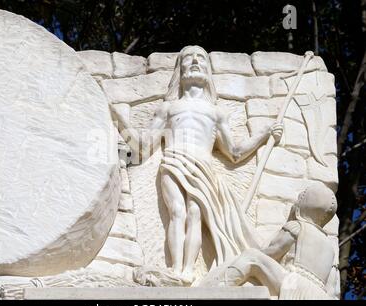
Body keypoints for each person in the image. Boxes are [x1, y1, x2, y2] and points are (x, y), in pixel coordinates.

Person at [112, 45, 283, 283]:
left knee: (194, 213)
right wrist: (118, 121)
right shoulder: (168, 108)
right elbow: (144, 145)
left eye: (200, 58)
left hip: (203, 167)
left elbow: (234, 153)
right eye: (188, 58)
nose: (194, 61)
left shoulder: (216, 113)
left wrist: (263, 135)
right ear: (179, 70)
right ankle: (175, 268)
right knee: (177, 212)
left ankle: (188, 272)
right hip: (173, 162)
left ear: (208, 71)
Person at [201, 182, 337, 299]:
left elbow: (271, 253)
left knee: (252, 257)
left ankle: (217, 289)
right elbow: (332, 290)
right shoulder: (331, 249)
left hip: (294, 285)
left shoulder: (297, 227)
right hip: (317, 296)